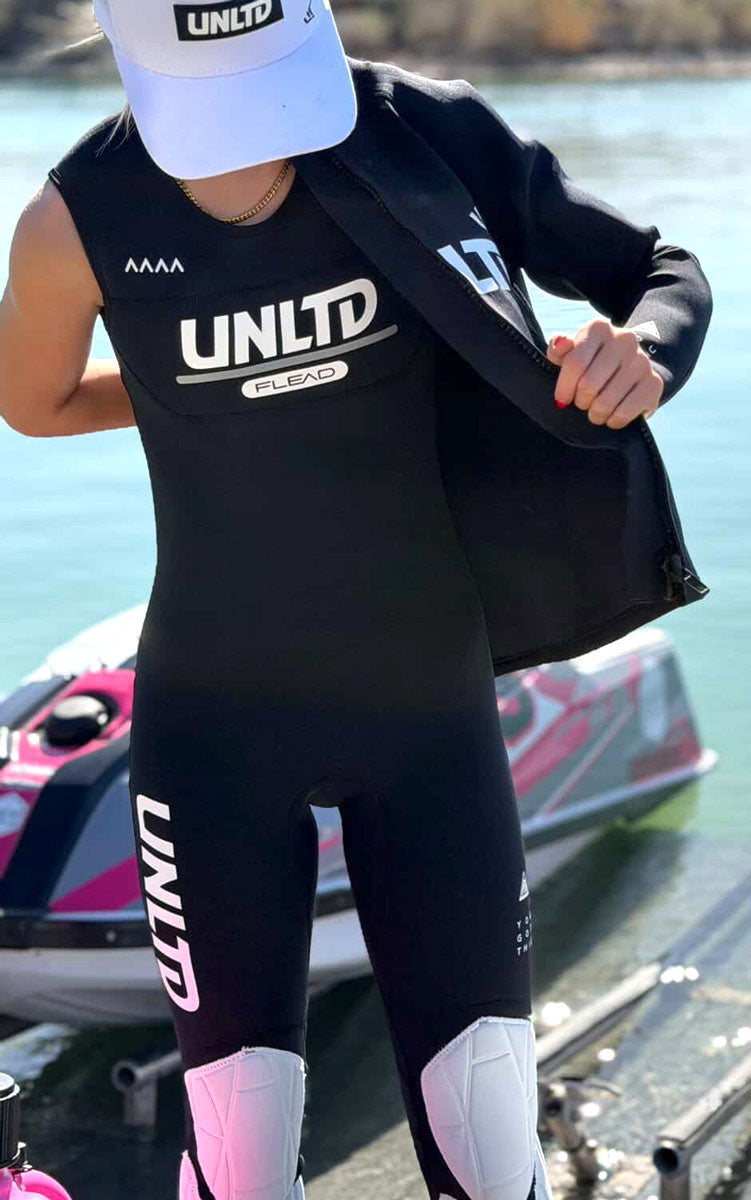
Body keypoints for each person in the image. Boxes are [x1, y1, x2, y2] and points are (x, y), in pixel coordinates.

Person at [0, 3, 712, 1200]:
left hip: (428, 711)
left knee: (492, 1159)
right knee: (240, 1161)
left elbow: (662, 273)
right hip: (214, 730)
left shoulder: (423, 133)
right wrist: (195, 385)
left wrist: (643, 350)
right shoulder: (77, 218)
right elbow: (35, 399)